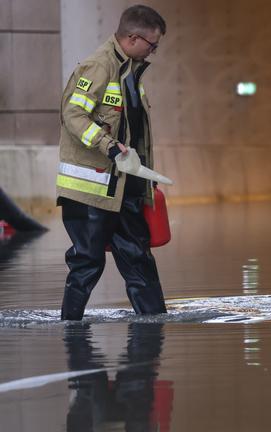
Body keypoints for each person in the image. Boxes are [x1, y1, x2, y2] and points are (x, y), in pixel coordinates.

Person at [56, 5, 167, 320]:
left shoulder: (131, 73)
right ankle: (71, 330)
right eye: (152, 45)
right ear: (133, 38)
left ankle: (153, 328)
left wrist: (145, 177)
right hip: (90, 189)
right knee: (88, 261)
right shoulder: (98, 67)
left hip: (124, 188)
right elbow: (73, 115)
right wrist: (107, 144)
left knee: (138, 258)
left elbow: (135, 130)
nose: (153, 52)